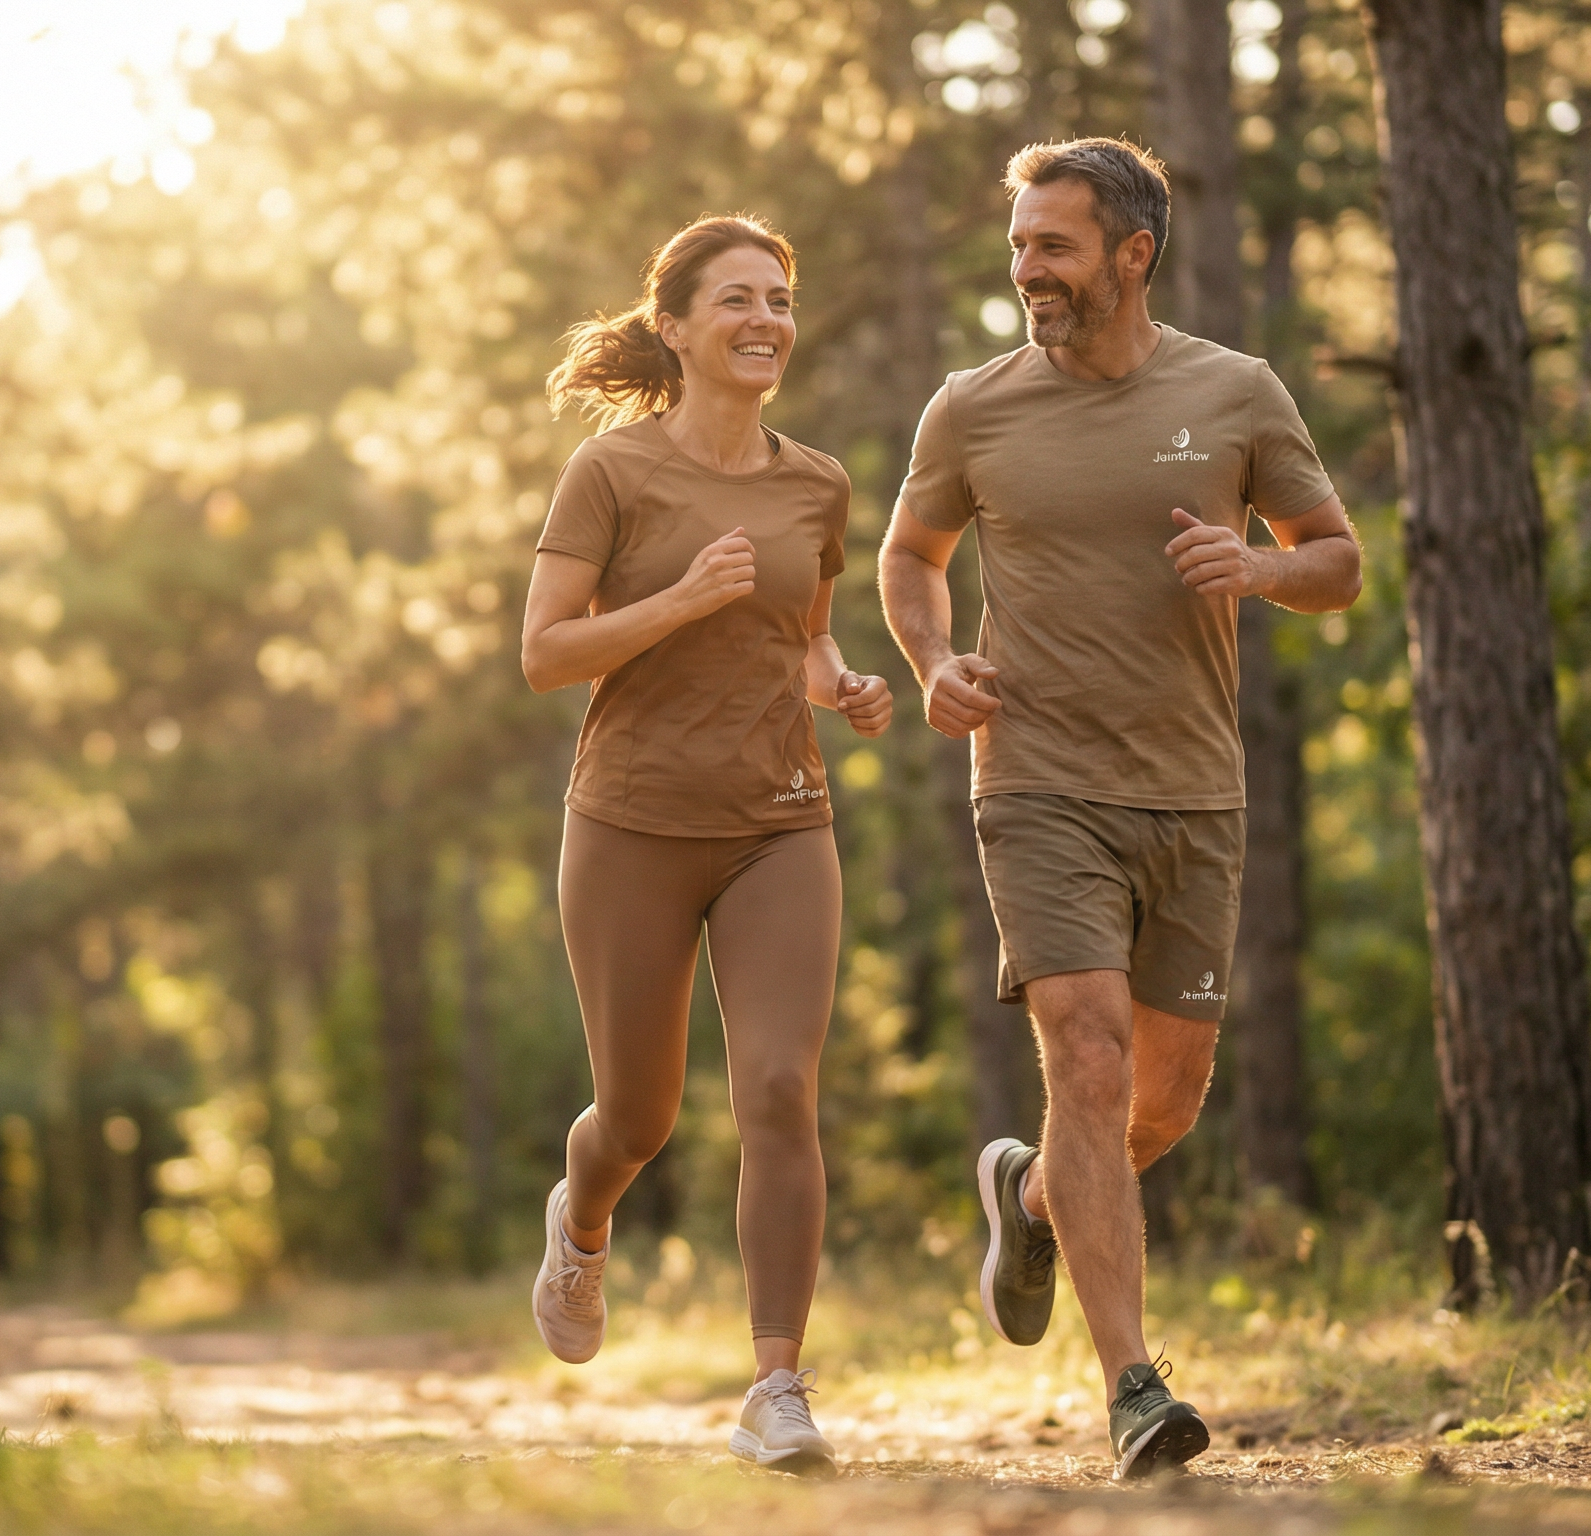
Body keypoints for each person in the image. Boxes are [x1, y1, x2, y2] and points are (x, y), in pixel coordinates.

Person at [876, 140, 1363, 1481]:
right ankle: (1135, 1389)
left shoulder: (1234, 393)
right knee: (1084, 1061)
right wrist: (933, 661)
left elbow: (1338, 561)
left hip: (1193, 793)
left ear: (1132, 254)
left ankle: (1029, 1195)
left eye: (1056, 246)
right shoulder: (972, 409)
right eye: (1021, 245)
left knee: (1161, 1101)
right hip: (1035, 782)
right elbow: (909, 557)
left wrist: (1260, 573)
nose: (1028, 270)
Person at [520, 214, 892, 1476]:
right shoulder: (611, 477)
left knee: (782, 1089)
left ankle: (776, 1384)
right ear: (674, 327)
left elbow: (807, 631)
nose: (765, 320)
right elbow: (542, 654)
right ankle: (582, 1215)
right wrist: (676, 600)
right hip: (628, 823)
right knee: (637, 1116)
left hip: (779, 823)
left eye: (779, 300)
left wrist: (843, 684)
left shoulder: (816, 482)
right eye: (736, 298)